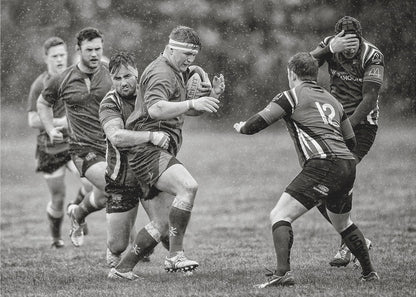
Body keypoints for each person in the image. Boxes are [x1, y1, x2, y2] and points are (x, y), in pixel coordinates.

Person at [234, 52, 379, 287]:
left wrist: (242, 128)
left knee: (279, 215)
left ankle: (283, 272)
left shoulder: (290, 96)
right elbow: (351, 141)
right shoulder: (333, 101)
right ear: (314, 74)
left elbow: (257, 124)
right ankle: (369, 272)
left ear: (292, 74)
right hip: (347, 164)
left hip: (323, 163)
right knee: (343, 224)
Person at [124, 25, 224, 276]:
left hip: (154, 150)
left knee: (161, 223)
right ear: (170, 49)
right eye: (186, 55)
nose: (190, 61)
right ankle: (175, 257)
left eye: (194, 56)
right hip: (147, 150)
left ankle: (122, 269)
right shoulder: (161, 73)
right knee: (188, 187)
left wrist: (209, 97)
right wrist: (192, 101)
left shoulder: (176, 70)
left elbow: (184, 109)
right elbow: (156, 109)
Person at [310, 16, 384, 267]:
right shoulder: (331, 46)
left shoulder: (372, 56)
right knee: (316, 189)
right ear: (338, 38)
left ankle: (350, 243)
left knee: (335, 182)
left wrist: (345, 129)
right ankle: (353, 239)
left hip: (362, 128)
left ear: (360, 39)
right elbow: (301, 68)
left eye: (354, 42)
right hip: (335, 125)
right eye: (345, 42)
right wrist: (329, 49)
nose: (350, 47)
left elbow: (369, 99)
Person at [99, 52, 174, 279]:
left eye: (127, 76)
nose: (123, 83)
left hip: (149, 171)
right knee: (118, 244)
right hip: (121, 178)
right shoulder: (109, 103)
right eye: (117, 78)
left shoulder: (150, 92)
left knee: (168, 226)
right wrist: (151, 136)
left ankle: (176, 260)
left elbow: (180, 107)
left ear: (137, 72)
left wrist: (206, 97)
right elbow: (117, 137)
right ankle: (116, 252)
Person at [37, 27, 113, 247]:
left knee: (101, 197)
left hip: (112, 146)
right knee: (118, 189)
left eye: (98, 49)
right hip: (82, 150)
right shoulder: (63, 78)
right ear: (79, 50)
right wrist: (51, 128)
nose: (94, 54)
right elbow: (43, 103)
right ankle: (127, 250)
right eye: (89, 50)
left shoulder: (111, 72)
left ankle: (78, 213)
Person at [27, 37, 92, 248]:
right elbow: (32, 119)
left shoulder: (76, 77)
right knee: (57, 197)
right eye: (54, 56)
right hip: (50, 148)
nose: (59, 59)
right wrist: (59, 122)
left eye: (62, 55)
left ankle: (76, 209)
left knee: (91, 183)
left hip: (75, 144)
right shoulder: (40, 84)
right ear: (46, 58)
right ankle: (56, 238)